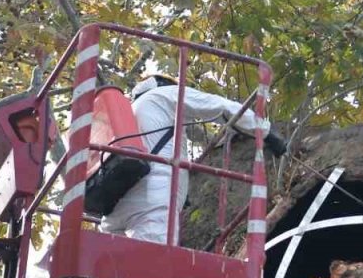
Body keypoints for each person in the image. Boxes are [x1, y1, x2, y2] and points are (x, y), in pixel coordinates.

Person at [100, 73, 287, 244]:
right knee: (153, 265)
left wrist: (182, 191)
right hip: (152, 200)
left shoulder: (130, 113)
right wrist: (265, 131)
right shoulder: (164, 94)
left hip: (114, 209)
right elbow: (219, 106)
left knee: (113, 267)